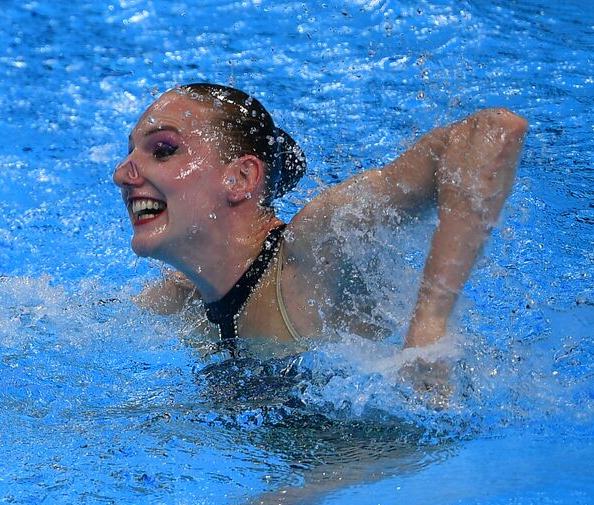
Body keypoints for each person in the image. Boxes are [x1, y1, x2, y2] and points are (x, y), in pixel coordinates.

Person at [116, 82, 527, 376]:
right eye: (129, 151)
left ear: (241, 178)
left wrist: (429, 327)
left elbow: (494, 130)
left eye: (163, 150)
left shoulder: (312, 252)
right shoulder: (183, 296)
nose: (122, 173)